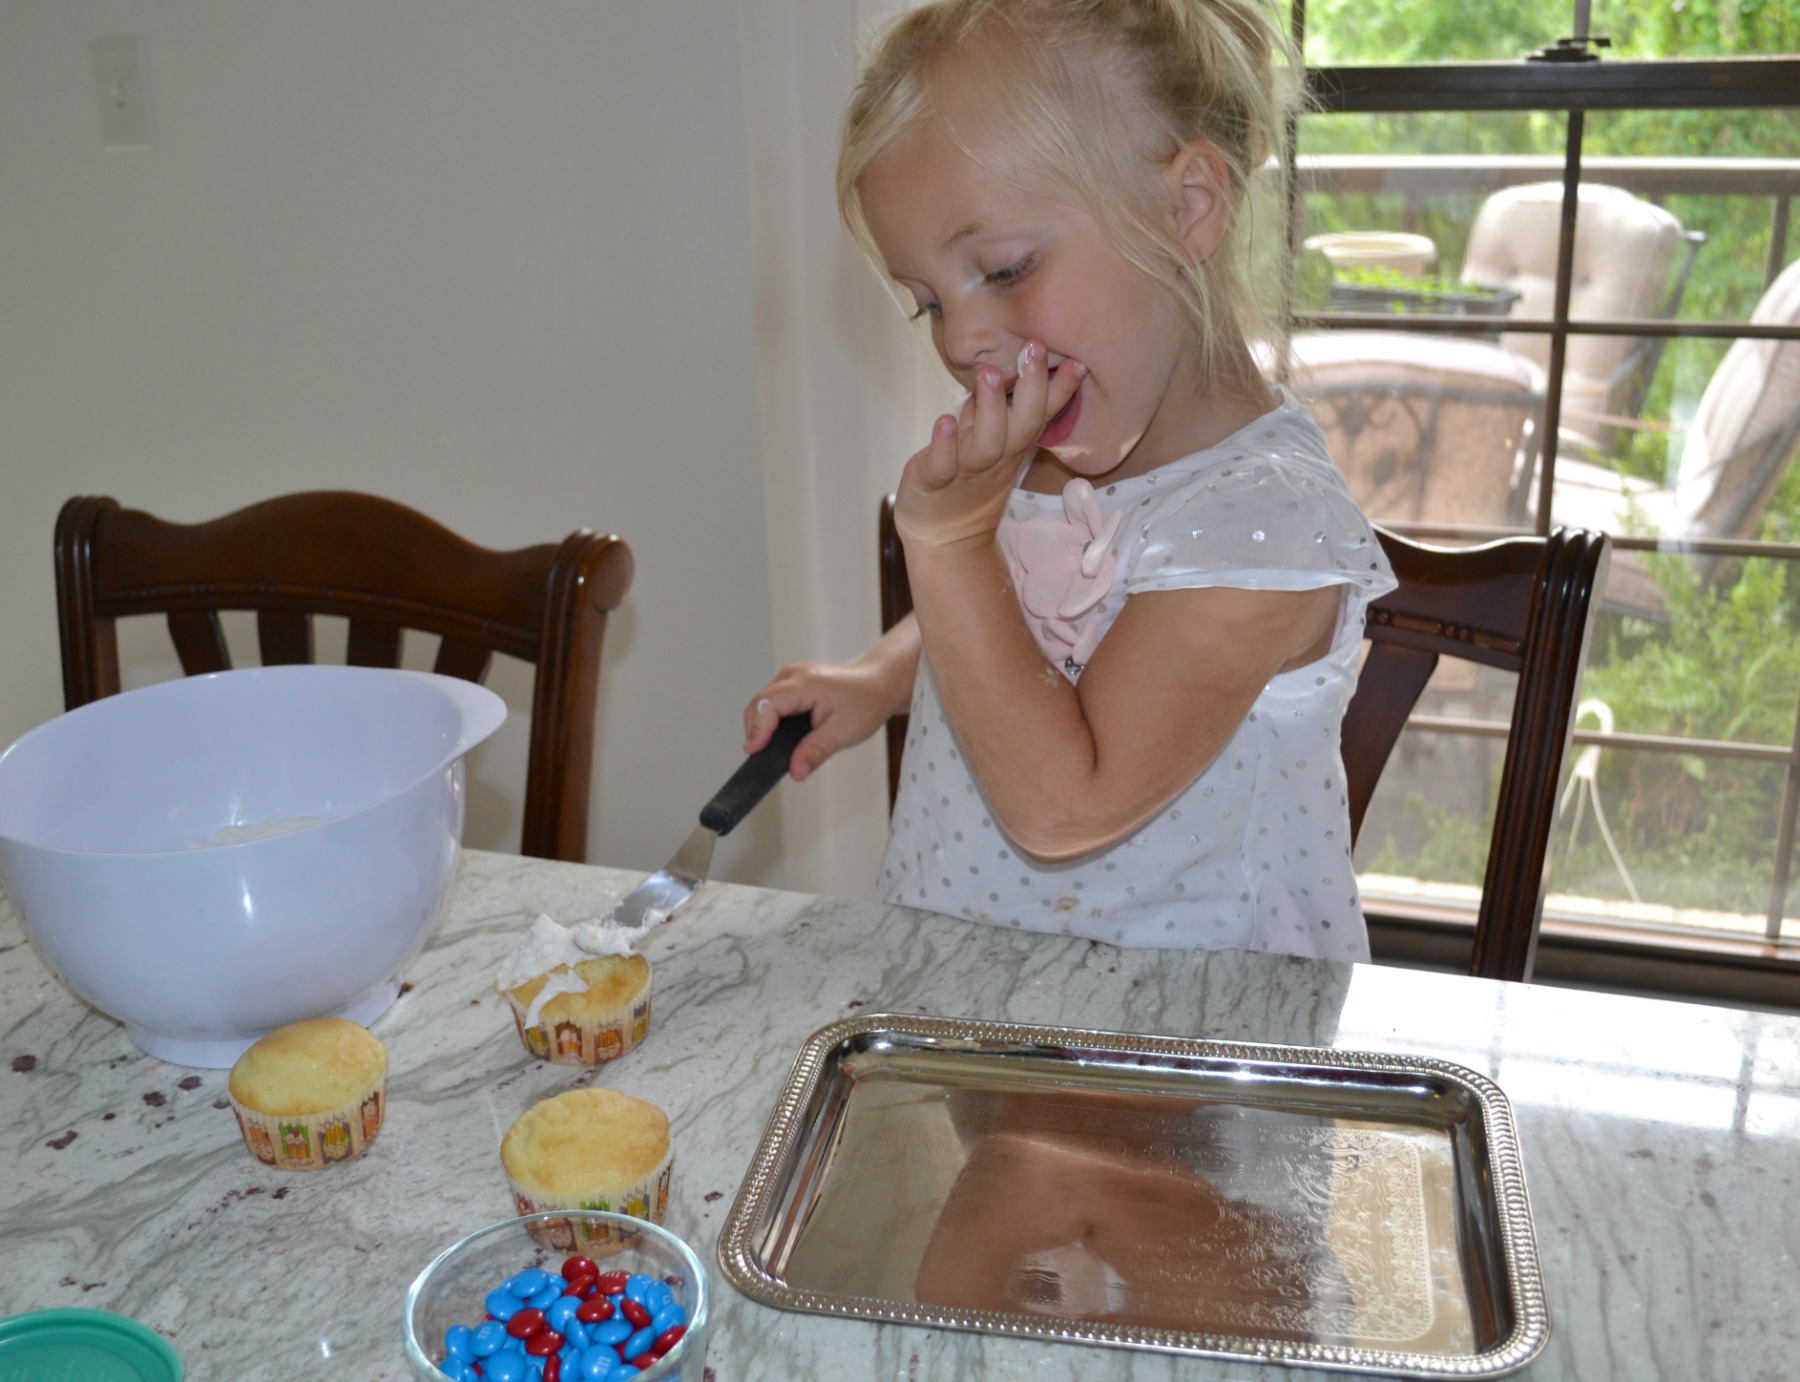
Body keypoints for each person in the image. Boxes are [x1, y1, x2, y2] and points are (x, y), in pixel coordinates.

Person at [744, 0, 1396, 961]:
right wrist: (881, 676)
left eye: (1004, 270)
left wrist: (950, 541)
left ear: (1188, 210)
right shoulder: (1059, 448)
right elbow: (1028, 619)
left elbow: (1065, 806)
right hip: (980, 1007)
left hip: (1188, 1056)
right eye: (929, 301)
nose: (962, 340)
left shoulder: (1267, 527)